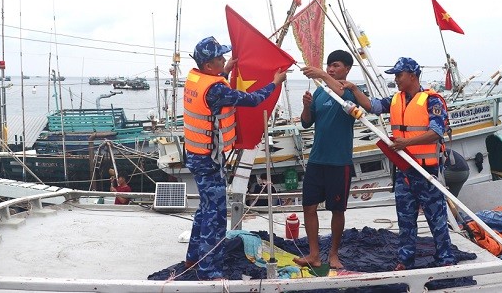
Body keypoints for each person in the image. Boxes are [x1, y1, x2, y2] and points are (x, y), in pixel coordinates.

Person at [183, 36, 287, 280]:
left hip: (195, 154)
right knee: (216, 216)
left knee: (205, 208)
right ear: (209, 65)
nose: (224, 59)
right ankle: (210, 270)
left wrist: (225, 70)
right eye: (220, 57)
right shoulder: (216, 89)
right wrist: (274, 83)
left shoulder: (196, 78)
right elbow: (252, 100)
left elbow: (212, 85)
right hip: (209, 160)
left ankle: (193, 257)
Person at [370, 57, 456, 270]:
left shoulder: (431, 101)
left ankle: (445, 258)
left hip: (426, 171)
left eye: (399, 75)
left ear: (412, 75)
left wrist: (406, 142)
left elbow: (436, 132)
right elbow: (372, 106)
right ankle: (405, 260)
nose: (396, 79)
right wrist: (351, 89)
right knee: (405, 219)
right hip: (404, 171)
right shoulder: (395, 100)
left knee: (436, 218)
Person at [294, 50, 371, 270]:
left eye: (335, 65)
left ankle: (334, 254)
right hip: (317, 160)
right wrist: (307, 106)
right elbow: (307, 123)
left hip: (339, 162)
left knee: (337, 210)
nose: (330, 69)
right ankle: (314, 254)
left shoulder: (350, 91)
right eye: (328, 66)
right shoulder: (320, 92)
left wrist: (320, 74)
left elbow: (342, 93)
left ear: (347, 68)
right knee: (309, 206)